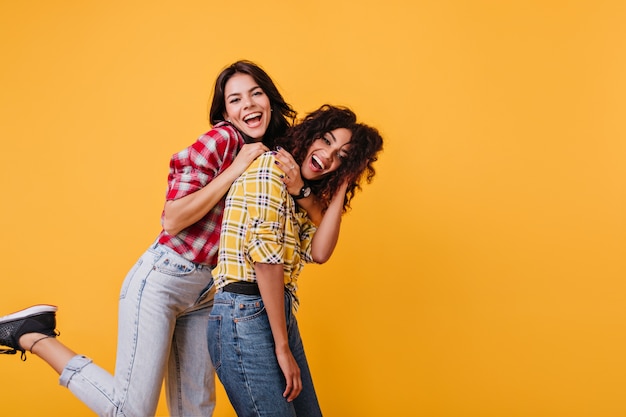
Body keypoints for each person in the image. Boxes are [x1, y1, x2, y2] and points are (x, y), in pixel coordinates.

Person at [0, 60, 320, 417]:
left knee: (194, 411)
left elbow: (315, 229)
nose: (248, 104)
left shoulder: (274, 157)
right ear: (226, 113)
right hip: (166, 278)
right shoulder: (224, 139)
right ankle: (32, 334)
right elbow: (173, 218)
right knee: (131, 411)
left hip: (209, 293)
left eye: (256, 93)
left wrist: (301, 188)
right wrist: (234, 169)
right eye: (235, 99)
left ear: (269, 101)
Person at [207, 104, 384, 417]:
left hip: (273, 311)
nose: (329, 155)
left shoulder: (296, 190)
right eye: (326, 141)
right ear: (310, 135)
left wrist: (344, 180)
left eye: (342, 157)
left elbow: (320, 252)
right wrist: (282, 347)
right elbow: (266, 262)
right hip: (244, 311)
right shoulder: (269, 169)